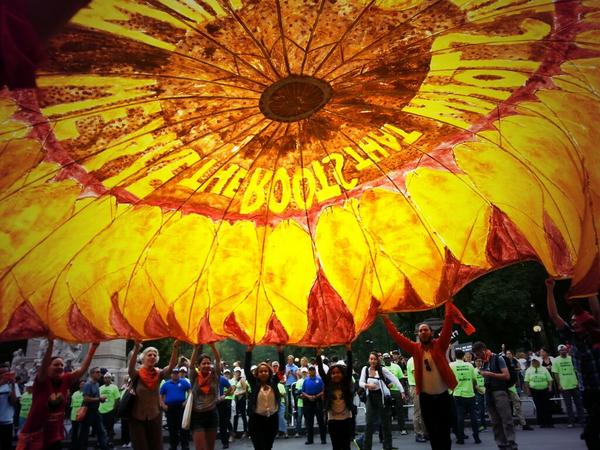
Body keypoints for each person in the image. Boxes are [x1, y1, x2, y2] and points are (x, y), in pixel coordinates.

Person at [383, 301, 474, 450]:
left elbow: (448, 325)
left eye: (425, 330)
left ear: (431, 333)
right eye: (420, 331)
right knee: (432, 431)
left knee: (445, 430)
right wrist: (386, 319)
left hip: (444, 396)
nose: (423, 332)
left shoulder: (440, 344)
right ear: (418, 335)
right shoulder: (414, 348)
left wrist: (448, 303)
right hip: (425, 398)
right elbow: (397, 336)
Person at [546, 278, 600, 449]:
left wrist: (590, 288)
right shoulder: (573, 339)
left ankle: (589, 431)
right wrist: (549, 290)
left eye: (579, 320)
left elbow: (596, 311)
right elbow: (554, 316)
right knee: (592, 436)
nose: (575, 322)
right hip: (588, 392)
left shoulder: (597, 337)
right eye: (573, 321)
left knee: (590, 431)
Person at [16, 340, 98, 450]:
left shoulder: (65, 379)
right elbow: (44, 365)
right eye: (56, 364)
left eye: (61, 365)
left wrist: (93, 348)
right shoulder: (42, 381)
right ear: (48, 367)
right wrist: (50, 343)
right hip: (35, 434)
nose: (60, 367)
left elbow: (82, 370)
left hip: (55, 435)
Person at [128, 340, 180, 450]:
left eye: (154, 355)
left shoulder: (159, 373)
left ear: (156, 360)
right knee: (140, 447)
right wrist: (137, 348)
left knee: (156, 446)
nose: (152, 356)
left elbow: (171, 367)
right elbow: (130, 368)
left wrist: (175, 348)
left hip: (155, 416)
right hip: (137, 417)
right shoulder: (136, 373)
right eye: (149, 354)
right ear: (143, 358)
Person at [472, 341, 516, 450]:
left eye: (477, 354)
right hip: (489, 392)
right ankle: (501, 443)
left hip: (499, 391)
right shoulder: (484, 361)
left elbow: (506, 376)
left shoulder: (497, 358)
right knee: (495, 421)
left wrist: (489, 374)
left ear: (482, 350)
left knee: (506, 418)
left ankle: (511, 443)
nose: (477, 357)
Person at [358, 352, 403, 450]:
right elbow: (360, 382)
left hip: (382, 398)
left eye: (374, 359)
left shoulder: (382, 370)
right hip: (370, 397)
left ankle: (388, 446)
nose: (372, 361)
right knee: (369, 422)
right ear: (368, 360)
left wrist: (402, 391)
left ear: (377, 360)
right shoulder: (365, 370)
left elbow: (394, 378)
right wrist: (367, 385)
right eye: (371, 359)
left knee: (385, 422)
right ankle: (366, 447)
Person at [245, 345, 285, 450]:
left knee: (268, 447)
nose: (263, 373)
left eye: (266, 371)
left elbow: (282, 370)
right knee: (259, 447)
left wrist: (280, 352)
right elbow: (246, 370)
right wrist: (249, 351)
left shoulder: (274, 382)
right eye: (261, 371)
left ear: (269, 372)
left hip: (272, 421)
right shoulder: (254, 383)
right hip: (256, 421)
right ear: (257, 374)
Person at [318, 345, 354, 450]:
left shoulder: (346, 384)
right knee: (336, 445)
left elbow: (350, 367)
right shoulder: (328, 384)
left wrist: (348, 350)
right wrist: (318, 354)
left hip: (347, 418)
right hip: (333, 420)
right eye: (333, 373)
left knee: (346, 445)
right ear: (330, 375)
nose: (335, 375)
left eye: (338, 373)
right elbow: (320, 370)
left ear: (342, 374)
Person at [188, 343, 221, 450]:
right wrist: (195, 348)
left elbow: (218, 360)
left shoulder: (215, 376)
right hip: (197, 416)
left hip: (212, 414)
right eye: (203, 363)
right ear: (199, 366)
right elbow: (191, 365)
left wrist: (213, 346)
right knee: (200, 447)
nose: (207, 365)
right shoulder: (194, 376)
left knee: (210, 447)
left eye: (208, 363)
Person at [449, 349, 481, 444]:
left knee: (460, 417)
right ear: (463, 356)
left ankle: (460, 438)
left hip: (458, 393)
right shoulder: (470, 365)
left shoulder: (451, 365)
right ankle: (477, 437)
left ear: (455, 356)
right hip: (470, 394)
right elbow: (473, 380)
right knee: (473, 416)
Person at [552, 344, 585, 427]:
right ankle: (571, 422)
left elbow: (576, 371)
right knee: (568, 405)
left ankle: (582, 420)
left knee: (579, 404)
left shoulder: (571, 358)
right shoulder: (556, 360)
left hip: (574, 384)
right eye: (561, 350)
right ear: (559, 351)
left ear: (567, 350)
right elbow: (556, 374)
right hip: (564, 385)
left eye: (564, 349)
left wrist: (578, 382)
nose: (563, 351)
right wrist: (559, 384)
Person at [78, 366, 109, 450]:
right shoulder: (88, 384)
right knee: (84, 433)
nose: (100, 374)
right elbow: (85, 398)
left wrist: (101, 400)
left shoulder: (97, 384)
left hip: (95, 411)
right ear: (91, 374)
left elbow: (96, 397)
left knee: (101, 431)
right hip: (88, 411)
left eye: (100, 372)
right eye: (97, 372)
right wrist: (99, 399)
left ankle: (104, 447)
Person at [160, 367, 192, 450]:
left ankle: (185, 445)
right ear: (171, 374)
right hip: (169, 408)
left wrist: (186, 402)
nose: (175, 374)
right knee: (171, 428)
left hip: (181, 407)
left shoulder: (184, 382)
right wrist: (163, 405)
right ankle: (173, 445)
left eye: (177, 373)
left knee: (183, 427)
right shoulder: (166, 384)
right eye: (174, 373)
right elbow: (160, 395)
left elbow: (190, 391)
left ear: (179, 374)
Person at [381, 352, 407, 435]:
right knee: (387, 411)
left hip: (396, 391)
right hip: (387, 392)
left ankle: (402, 428)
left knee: (400, 410)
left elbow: (401, 379)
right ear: (383, 360)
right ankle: (388, 429)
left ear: (390, 358)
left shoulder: (396, 367)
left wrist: (402, 391)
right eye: (385, 358)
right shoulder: (381, 368)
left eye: (388, 358)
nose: (387, 360)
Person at [524, 356, 553, 428]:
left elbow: (549, 379)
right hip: (534, 390)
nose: (534, 362)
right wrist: (527, 390)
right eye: (533, 361)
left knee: (546, 406)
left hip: (544, 389)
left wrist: (550, 386)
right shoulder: (529, 370)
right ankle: (541, 422)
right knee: (538, 406)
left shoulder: (544, 369)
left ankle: (549, 422)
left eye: (535, 361)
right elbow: (526, 381)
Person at [302, 365, 326, 445]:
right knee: (309, 421)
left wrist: (316, 396)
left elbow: (323, 391)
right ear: (309, 371)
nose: (312, 371)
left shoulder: (319, 380)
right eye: (310, 370)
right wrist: (309, 397)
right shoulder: (306, 380)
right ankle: (310, 439)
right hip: (308, 401)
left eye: (313, 370)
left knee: (321, 421)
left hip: (317, 401)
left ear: (315, 371)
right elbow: (303, 391)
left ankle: (323, 439)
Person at [406, 356, 427, 442]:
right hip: (416, 387)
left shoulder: (418, 359)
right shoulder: (412, 361)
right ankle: (418, 433)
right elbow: (416, 375)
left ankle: (424, 433)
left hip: (420, 387)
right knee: (418, 412)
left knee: (422, 411)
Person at [0, 361, 20, 450]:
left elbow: (14, 402)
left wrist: (12, 385)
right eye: (1, 373)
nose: (4, 375)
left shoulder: (13, 385)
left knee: (6, 446)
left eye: (6, 373)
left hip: (7, 422)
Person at [99, 372, 120, 446]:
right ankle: (102, 441)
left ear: (110, 379)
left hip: (110, 410)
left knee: (110, 428)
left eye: (108, 377)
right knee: (102, 428)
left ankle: (110, 441)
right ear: (103, 379)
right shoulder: (100, 388)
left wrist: (114, 409)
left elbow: (117, 399)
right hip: (101, 410)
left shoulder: (114, 387)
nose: (107, 379)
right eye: (105, 378)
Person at [217, 370, 234, 448]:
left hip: (220, 402)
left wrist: (224, 395)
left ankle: (225, 442)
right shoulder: (207, 379)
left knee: (222, 423)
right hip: (210, 403)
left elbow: (230, 388)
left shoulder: (222, 378)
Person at [231, 368, 248, 438]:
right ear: (234, 372)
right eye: (236, 372)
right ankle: (234, 431)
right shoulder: (233, 380)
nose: (237, 373)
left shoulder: (242, 380)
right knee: (235, 415)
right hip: (235, 399)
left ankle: (245, 431)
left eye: (238, 372)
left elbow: (245, 390)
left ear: (240, 373)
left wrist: (239, 393)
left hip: (241, 399)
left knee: (243, 415)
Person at [68, 380, 85, 450]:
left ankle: (80, 446)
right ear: (79, 385)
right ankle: (73, 446)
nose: (82, 385)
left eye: (84, 384)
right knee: (74, 432)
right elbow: (72, 404)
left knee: (80, 432)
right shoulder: (75, 393)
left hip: (82, 415)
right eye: (81, 384)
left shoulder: (86, 393)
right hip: (74, 415)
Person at [284, 355, 298, 426]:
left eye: (291, 360)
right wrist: (287, 374)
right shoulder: (285, 367)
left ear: (293, 360)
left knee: (295, 402)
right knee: (288, 402)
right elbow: (283, 378)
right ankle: (288, 418)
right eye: (289, 360)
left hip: (294, 385)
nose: (290, 361)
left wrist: (293, 373)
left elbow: (297, 377)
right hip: (287, 385)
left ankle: (295, 418)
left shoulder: (296, 367)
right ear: (287, 360)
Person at [294, 368, 308, 437]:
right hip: (300, 402)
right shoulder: (299, 381)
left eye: (305, 372)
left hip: (307, 402)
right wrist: (300, 395)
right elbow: (296, 392)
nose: (304, 373)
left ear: (307, 373)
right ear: (301, 373)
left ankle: (307, 431)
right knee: (299, 417)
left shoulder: (309, 380)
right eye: (303, 372)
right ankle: (298, 432)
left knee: (307, 417)